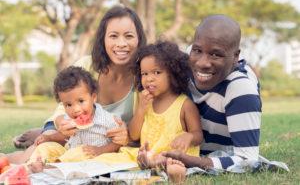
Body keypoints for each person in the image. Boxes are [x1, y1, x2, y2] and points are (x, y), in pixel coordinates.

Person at [6, 6, 147, 164]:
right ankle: (35, 139)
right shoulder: (86, 65)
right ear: (103, 39)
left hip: (107, 142)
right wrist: (60, 125)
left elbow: (147, 124)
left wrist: (127, 135)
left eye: (129, 36)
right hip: (68, 131)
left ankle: (42, 132)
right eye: (113, 36)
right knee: (33, 157)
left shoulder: (146, 75)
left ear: (139, 39)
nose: (121, 43)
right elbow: (62, 108)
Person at [138, 14, 262, 171]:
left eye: (215, 54)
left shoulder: (241, 91)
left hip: (203, 153)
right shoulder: (187, 60)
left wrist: (188, 160)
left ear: (235, 56)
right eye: (197, 50)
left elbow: (247, 160)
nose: (202, 63)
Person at [83, 41, 203, 173]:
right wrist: (141, 109)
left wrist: (189, 137)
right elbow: (134, 135)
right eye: (144, 74)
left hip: (173, 157)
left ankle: (159, 164)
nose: (149, 79)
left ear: (173, 73)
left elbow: (198, 135)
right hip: (145, 156)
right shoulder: (146, 101)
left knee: (170, 165)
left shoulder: (185, 105)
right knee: (104, 161)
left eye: (156, 72)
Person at [28, 66, 121, 164]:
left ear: (93, 97)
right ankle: (35, 163)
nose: (76, 109)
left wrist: (100, 150)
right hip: (70, 154)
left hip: (94, 159)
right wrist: (49, 138)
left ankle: (52, 167)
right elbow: (65, 135)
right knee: (46, 147)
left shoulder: (108, 119)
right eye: (68, 104)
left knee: (81, 152)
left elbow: (117, 142)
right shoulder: (70, 119)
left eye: (81, 101)